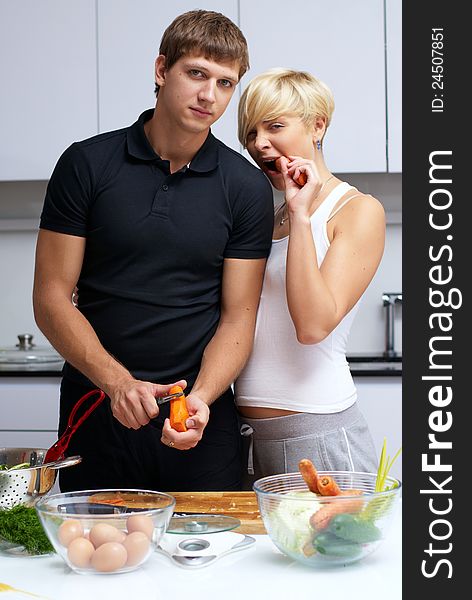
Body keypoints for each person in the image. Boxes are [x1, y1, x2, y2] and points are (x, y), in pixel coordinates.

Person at [32, 10, 274, 492]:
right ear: (162, 70)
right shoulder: (86, 164)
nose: (209, 96)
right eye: (197, 73)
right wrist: (117, 383)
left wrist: (203, 398)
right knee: (100, 559)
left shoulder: (245, 187)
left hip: (197, 423)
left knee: (207, 560)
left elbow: (238, 318)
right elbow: (51, 299)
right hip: (97, 411)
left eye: (226, 84)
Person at [235, 68, 385, 486]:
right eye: (251, 132)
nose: (259, 143)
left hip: (316, 436)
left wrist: (301, 216)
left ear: (318, 125)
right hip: (245, 436)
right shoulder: (268, 216)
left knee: (334, 551)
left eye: (275, 126)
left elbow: (313, 324)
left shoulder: (356, 210)